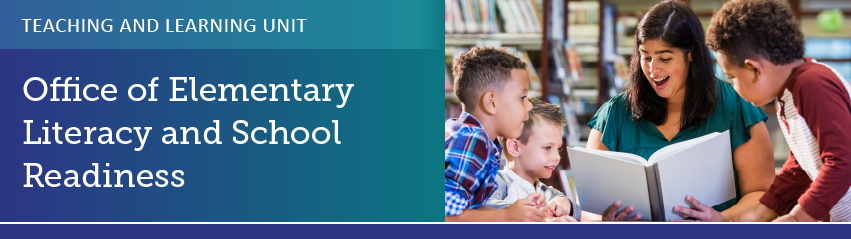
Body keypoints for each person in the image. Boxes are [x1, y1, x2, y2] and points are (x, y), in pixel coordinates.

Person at [585, 0, 776, 221]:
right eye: (645, 57)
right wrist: (603, 221)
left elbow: (764, 197)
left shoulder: (736, 108)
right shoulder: (614, 113)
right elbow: (588, 206)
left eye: (665, 58)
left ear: (691, 53)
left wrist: (721, 219)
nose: (652, 69)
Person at [707, 0, 851, 222]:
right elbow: (800, 167)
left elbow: (843, 162)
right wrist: (758, 214)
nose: (734, 87)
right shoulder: (788, 94)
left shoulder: (813, 84)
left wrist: (797, 219)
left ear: (755, 69)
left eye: (733, 77)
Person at [445, 46, 547, 222]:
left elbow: (468, 208)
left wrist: (518, 210)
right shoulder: (471, 142)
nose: (530, 106)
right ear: (491, 102)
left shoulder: (470, 136)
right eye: (522, 98)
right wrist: (507, 215)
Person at [486, 98, 581, 222]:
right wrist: (524, 212)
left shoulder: (548, 193)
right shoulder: (498, 181)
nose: (557, 157)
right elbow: (483, 208)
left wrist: (565, 203)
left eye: (558, 149)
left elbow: (577, 212)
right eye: (547, 147)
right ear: (515, 147)